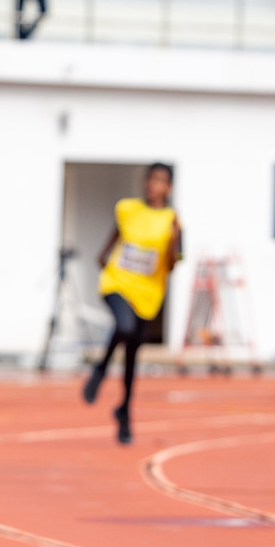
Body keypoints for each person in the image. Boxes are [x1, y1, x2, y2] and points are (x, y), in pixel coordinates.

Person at [80, 163, 182, 445]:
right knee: (122, 326)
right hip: (117, 282)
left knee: (132, 357)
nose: (153, 185)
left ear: (168, 187)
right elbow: (117, 233)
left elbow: (173, 265)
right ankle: (100, 370)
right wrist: (103, 254)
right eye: (150, 179)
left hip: (148, 294)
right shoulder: (127, 208)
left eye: (160, 181)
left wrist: (174, 242)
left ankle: (124, 411)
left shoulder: (173, 221)